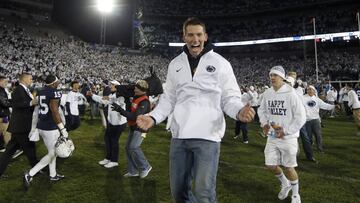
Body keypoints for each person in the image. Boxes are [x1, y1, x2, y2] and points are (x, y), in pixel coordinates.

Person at [136, 17, 255, 202]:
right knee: (179, 193)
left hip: (208, 136)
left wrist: (239, 111)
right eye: (190, 35)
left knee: (204, 193)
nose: (195, 39)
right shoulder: (175, 64)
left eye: (199, 34)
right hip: (180, 136)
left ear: (205, 36)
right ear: (184, 37)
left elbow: (229, 98)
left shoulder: (221, 63)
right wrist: (152, 118)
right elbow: (169, 99)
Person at [258, 65, 306, 203]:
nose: (272, 78)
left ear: (282, 77)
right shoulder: (268, 93)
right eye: (270, 75)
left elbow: (300, 117)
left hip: (288, 137)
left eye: (275, 75)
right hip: (272, 136)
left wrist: (286, 131)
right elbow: (261, 110)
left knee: (289, 167)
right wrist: (264, 123)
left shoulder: (291, 93)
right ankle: (285, 183)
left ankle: (296, 194)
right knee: (270, 165)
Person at [23, 75, 69, 188]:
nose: (58, 83)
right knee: (53, 153)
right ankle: (30, 174)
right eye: (57, 81)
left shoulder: (41, 92)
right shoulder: (55, 92)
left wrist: (34, 127)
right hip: (51, 127)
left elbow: (36, 111)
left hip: (42, 126)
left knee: (52, 151)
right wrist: (62, 128)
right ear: (53, 83)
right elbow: (54, 111)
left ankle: (53, 175)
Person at [0, 73, 39, 178]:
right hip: (21, 126)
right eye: (30, 78)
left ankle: (36, 168)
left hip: (20, 126)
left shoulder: (24, 90)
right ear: (25, 79)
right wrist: (32, 103)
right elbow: (17, 104)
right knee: (30, 148)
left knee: (9, 151)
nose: (32, 80)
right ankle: (36, 169)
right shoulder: (18, 90)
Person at [112, 80, 152, 178]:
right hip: (134, 127)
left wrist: (120, 110)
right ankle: (133, 171)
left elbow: (134, 116)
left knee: (134, 147)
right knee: (128, 148)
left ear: (142, 90)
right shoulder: (136, 96)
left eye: (137, 87)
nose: (134, 88)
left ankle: (145, 166)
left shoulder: (144, 101)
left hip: (141, 128)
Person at [88, 80, 127, 168]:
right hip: (112, 122)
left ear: (117, 87)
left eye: (112, 85)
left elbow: (119, 101)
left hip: (119, 123)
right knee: (107, 139)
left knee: (114, 141)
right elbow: (103, 100)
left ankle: (114, 160)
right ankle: (108, 158)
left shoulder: (121, 96)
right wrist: (92, 95)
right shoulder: (111, 95)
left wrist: (107, 98)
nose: (110, 86)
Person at [303, 85, 337, 153]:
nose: (309, 91)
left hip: (316, 120)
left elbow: (325, 106)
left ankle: (319, 148)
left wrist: (333, 106)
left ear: (314, 91)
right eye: (308, 89)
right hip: (306, 120)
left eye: (311, 89)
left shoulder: (317, 99)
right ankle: (310, 150)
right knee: (308, 137)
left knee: (318, 135)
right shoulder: (302, 98)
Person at [0, 76, 12, 152]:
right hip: (2, 114)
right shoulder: (0, 90)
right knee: (7, 132)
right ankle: (10, 149)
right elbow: (4, 103)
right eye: (5, 82)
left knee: (1, 132)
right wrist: (15, 102)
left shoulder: (2, 90)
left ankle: (1, 147)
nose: (6, 83)